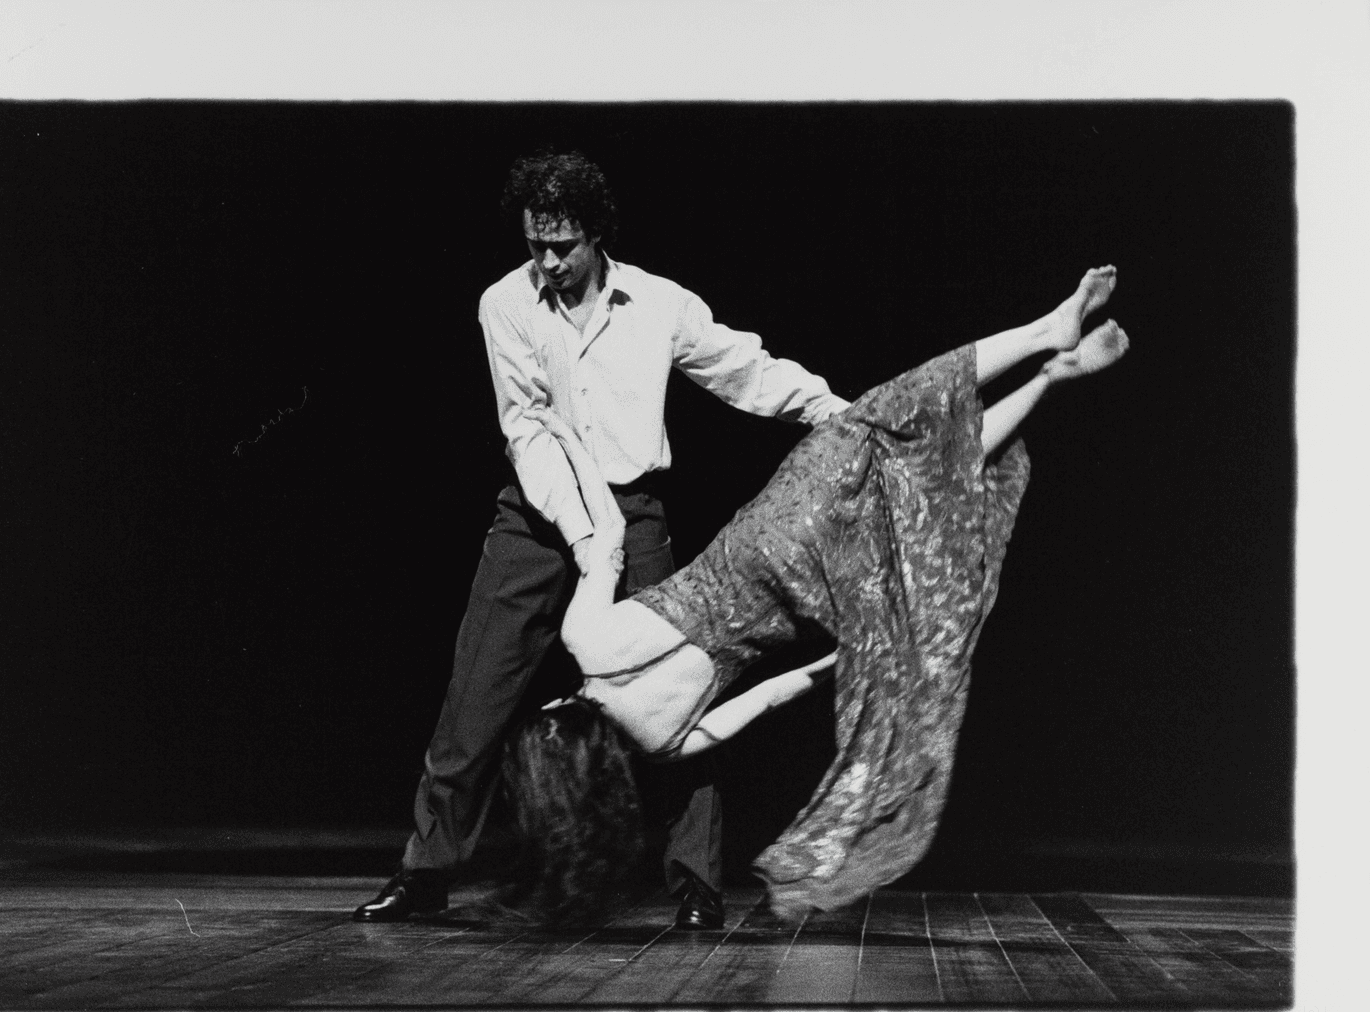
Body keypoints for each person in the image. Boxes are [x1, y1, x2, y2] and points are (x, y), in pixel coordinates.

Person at [504, 267, 1130, 922]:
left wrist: (839, 660)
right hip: (774, 536)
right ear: (554, 707)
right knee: (891, 416)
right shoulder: (588, 641)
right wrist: (570, 437)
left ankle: (1048, 378)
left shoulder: (664, 744)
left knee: (916, 494)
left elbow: (771, 695)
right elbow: (606, 533)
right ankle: (1042, 336)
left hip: (809, 603)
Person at [353, 151, 850, 928]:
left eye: (564, 246)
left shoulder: (657, 303)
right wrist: (588, 540)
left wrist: (832, 412)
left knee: (681, 697)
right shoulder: (504, 305)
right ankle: (426, 872)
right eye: (535, 247)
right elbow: (527, 432)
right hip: (538, 518)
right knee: (475, 695)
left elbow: (742, 369)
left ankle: (694, 880)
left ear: (596, 235)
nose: (548, 263)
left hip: (635, 511)